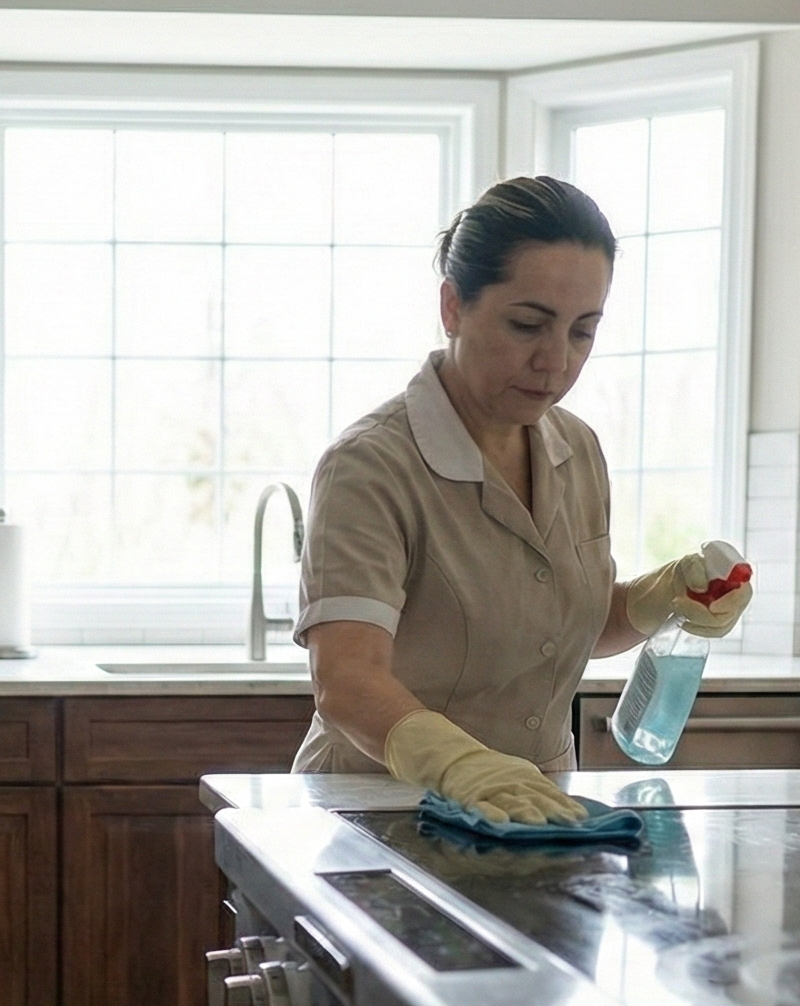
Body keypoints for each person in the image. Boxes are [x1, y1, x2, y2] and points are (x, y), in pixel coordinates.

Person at [293, 176, 752, 822]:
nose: (554, 360)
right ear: (453, 306)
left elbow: (562, 626)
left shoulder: (578, 451)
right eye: (527, 324)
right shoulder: (370, 467)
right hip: (381, 818)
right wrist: (458, 765)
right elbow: (346, 681)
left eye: (582, 331)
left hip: (536, 819)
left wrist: (662, 597)